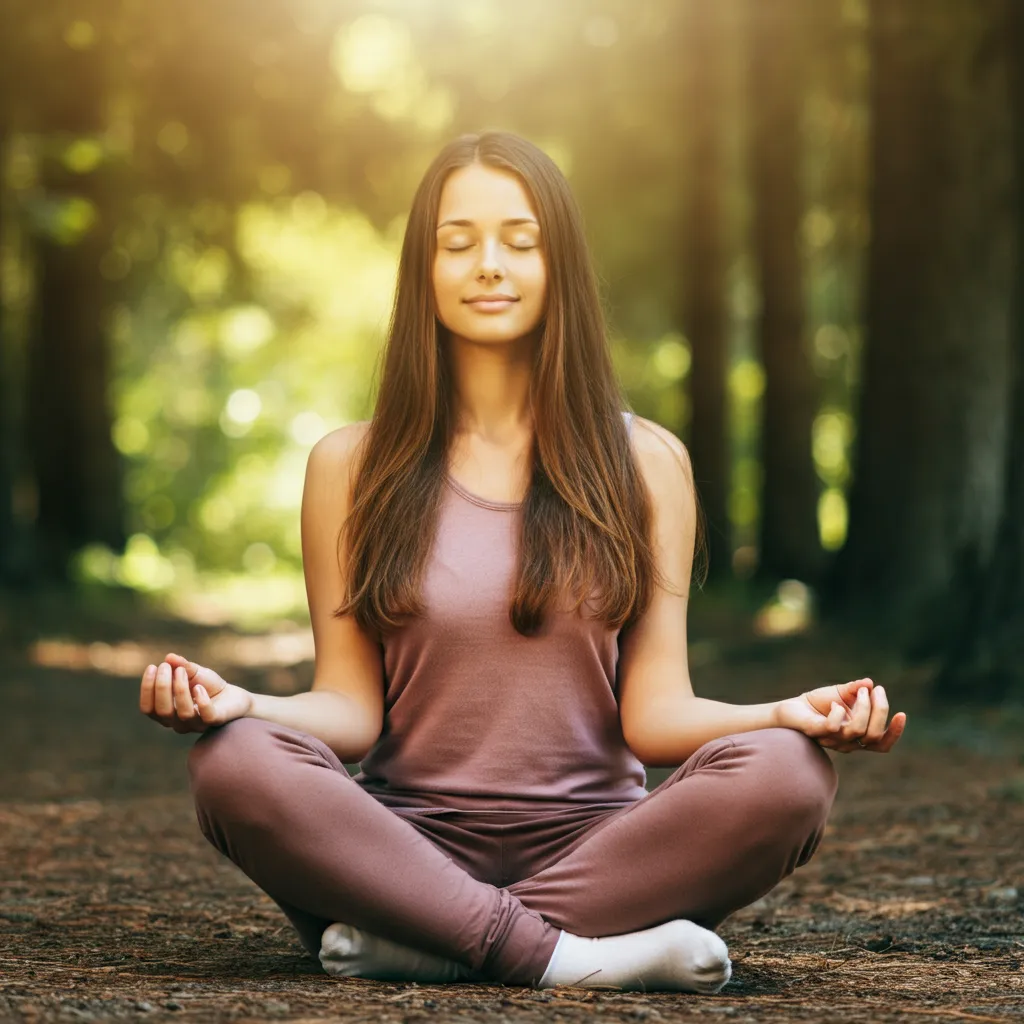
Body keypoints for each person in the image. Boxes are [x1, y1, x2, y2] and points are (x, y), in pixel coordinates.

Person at [138, 130, 907, 993]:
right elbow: (350, 712)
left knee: (790, 770)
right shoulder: (349, 467)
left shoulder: (648, 462)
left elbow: (654, 718)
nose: (489, 265)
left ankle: (432, 943)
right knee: (231, 760)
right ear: (423, 273)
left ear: (559, 266)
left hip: (603, 855)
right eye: (457, 243)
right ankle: (564, 959)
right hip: (398, 847)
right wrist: (243, 704)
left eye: (520, 240)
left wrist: (786, 713)